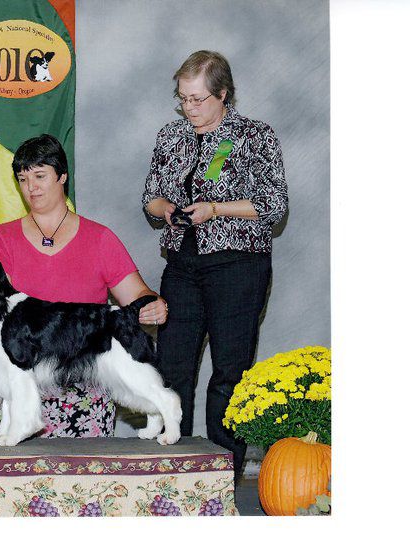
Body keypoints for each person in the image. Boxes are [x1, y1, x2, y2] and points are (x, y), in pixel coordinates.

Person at [0, 134, 168, 438]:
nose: (31, 187)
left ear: (62, 176)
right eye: (23, 179)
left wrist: (152, 303)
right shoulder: (2, 239)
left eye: (40, 176)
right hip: (23, 383)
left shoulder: (100, 238)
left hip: (86, 391)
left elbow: (136, 296)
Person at [142, 50, 288, 476]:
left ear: (223, 94)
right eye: (183, 99)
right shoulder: (170, 135)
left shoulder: (256, 136)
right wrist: (166, 208)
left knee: (229, 371)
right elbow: (148, 197)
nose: (189, 108)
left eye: (198, 99)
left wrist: (216, 209)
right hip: (183, 265)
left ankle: (220, 473)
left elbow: (273, 204)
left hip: (239, 265)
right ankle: (172, 466)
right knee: (172, 367)